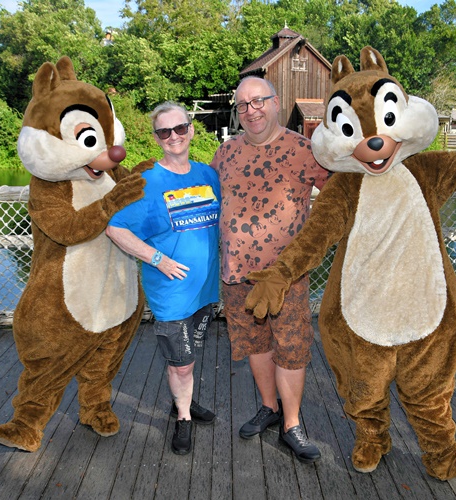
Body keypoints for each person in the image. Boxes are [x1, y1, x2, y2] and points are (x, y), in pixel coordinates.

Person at [210, 77, 329, 463]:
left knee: (291, 349)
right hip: (236, 275)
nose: (251, 110)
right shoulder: (225, 152)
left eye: (258, 101)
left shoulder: (305, 149)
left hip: (284, 277)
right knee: (255, 345)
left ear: (276, 103)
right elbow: (202, 200)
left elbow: (340, 198)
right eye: (243, 105)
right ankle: (268, 407)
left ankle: (292, 425)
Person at [106, 102, 221, 455]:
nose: (174, 136)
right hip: (171, 293)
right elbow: (115, 228)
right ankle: (183, 417)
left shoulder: (208, 175)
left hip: (205, 289)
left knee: (188, 357)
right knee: (182, 364)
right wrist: (157, 259)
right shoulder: (147, 183)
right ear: (157, 138)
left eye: (180, 128)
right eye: (164, 131)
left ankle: (181, 400)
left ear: (191, 130)